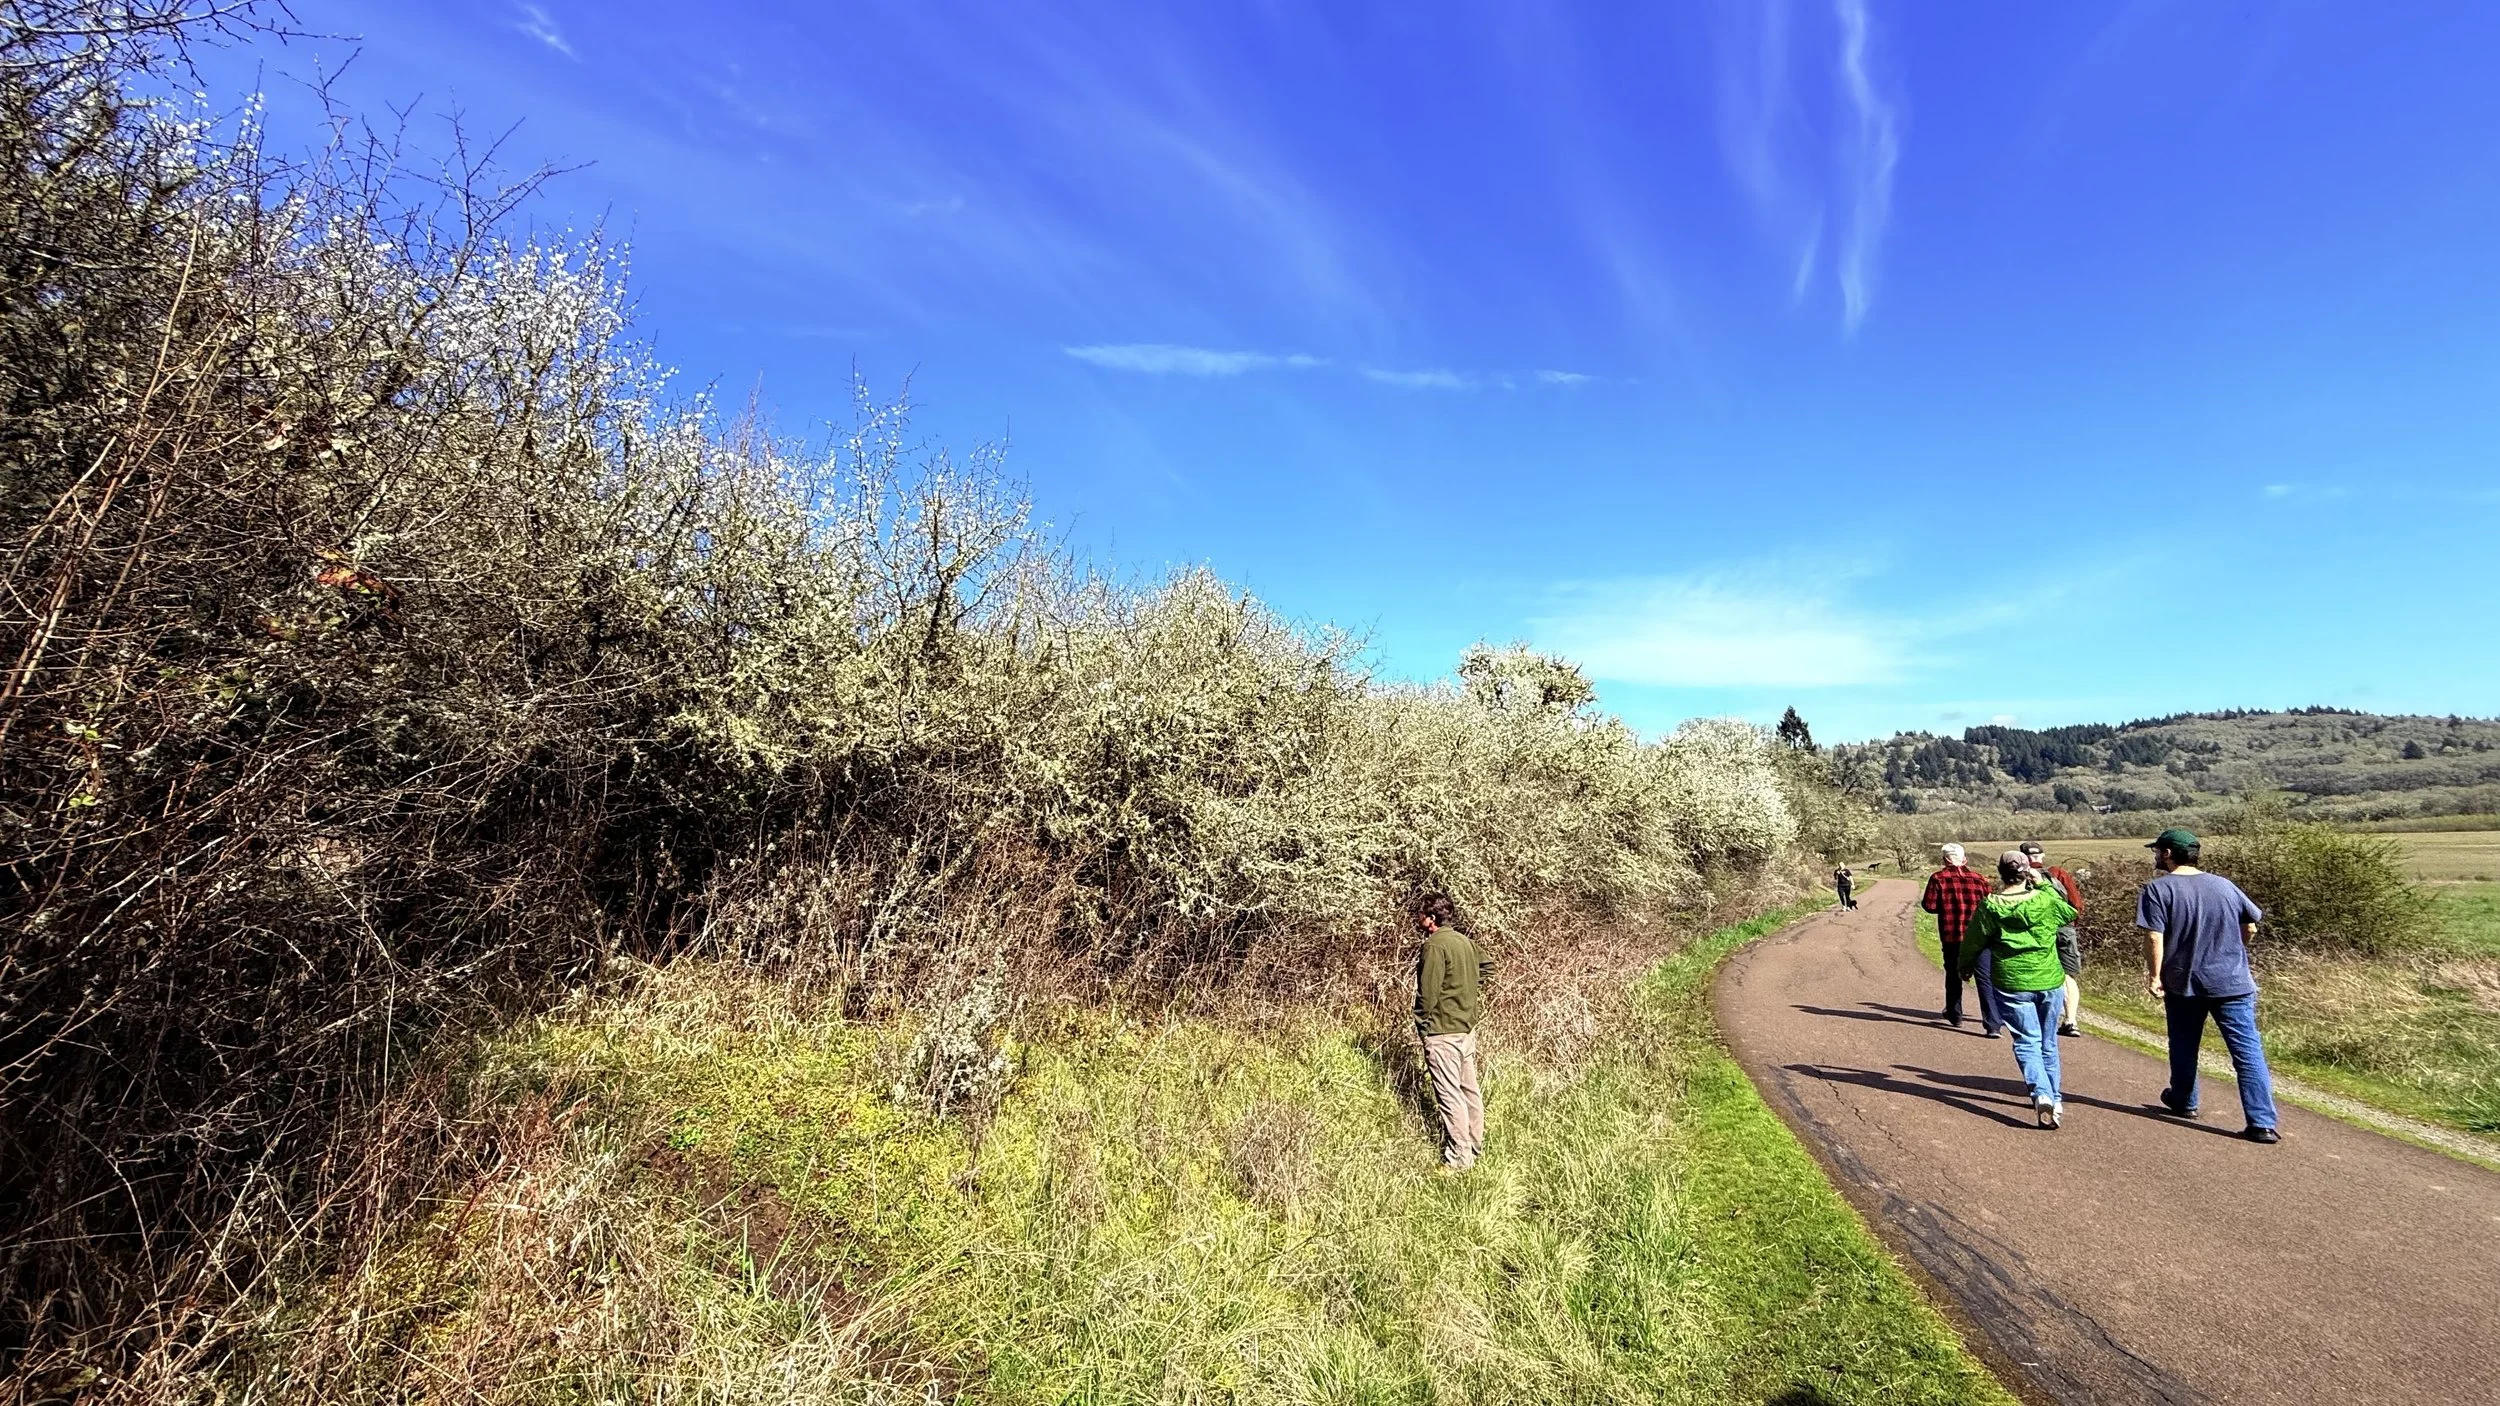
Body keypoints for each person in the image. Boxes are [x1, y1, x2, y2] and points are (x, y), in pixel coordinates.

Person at [2137, 828, 2281, 1144]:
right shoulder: (2224, 885)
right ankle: (2262, 1123)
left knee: (2184, 1043)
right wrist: (2232, 952)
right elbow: (2251, 927)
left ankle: (2184, 1100)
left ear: (2168, 854)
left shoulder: (2158, 889)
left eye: (2157, 851)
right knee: (2247, 1051)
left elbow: (2154, 936)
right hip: (2233, 981)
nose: (2155, 855)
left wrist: (2154, 975)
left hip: (2184, 980)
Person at [1960, 850, 2079, 1127]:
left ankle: (2041, 1093)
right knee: (2048, 1042)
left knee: (2027, 1041)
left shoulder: (1990, 905)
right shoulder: (2045, 899)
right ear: (2027, 873)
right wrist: (2043, 884)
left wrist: (1964, 966)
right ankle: (2054, 1097)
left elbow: (1973, 941)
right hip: (2048, 979)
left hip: (2011, 981)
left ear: (2000, 873)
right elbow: (2069, 912)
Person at [1412, 893, 1493, 1170]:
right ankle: (1474, 1146)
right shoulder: (1464, 941)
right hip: (1465, 1029)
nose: (1418, 918)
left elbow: (1428, 993)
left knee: (1449, 1095)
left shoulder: (1434, 946)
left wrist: (1422, 1023)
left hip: (1442, 1031)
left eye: (1421, 914)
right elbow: (1488, 965)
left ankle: (1459, 1159)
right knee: (1469, 1090)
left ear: (1431, 918)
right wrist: (1467, 986)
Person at [1921, 843, 2000, 1035]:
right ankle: (1992, 1024)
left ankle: (1955, 1014)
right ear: (1965, 859)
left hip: (1952, 934)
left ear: (1945, 860)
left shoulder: (1938, 878)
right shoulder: (1979, 879)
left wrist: (1947, 905)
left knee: (1953, 975)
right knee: (1984, 978)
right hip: (1980, 937)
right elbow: (1991, 904)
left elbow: (1929, 906)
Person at [2020, 840, 2087, 1037]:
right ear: (2042, 856)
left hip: (2037, 930)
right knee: (2068, 975)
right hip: (2064, 929)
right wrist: (2068, 924)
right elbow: (2076, 904)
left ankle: (2039, 1019)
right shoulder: (2058, 873)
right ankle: (2071, 1020)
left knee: (2038, 973)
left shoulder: (2020, 876)